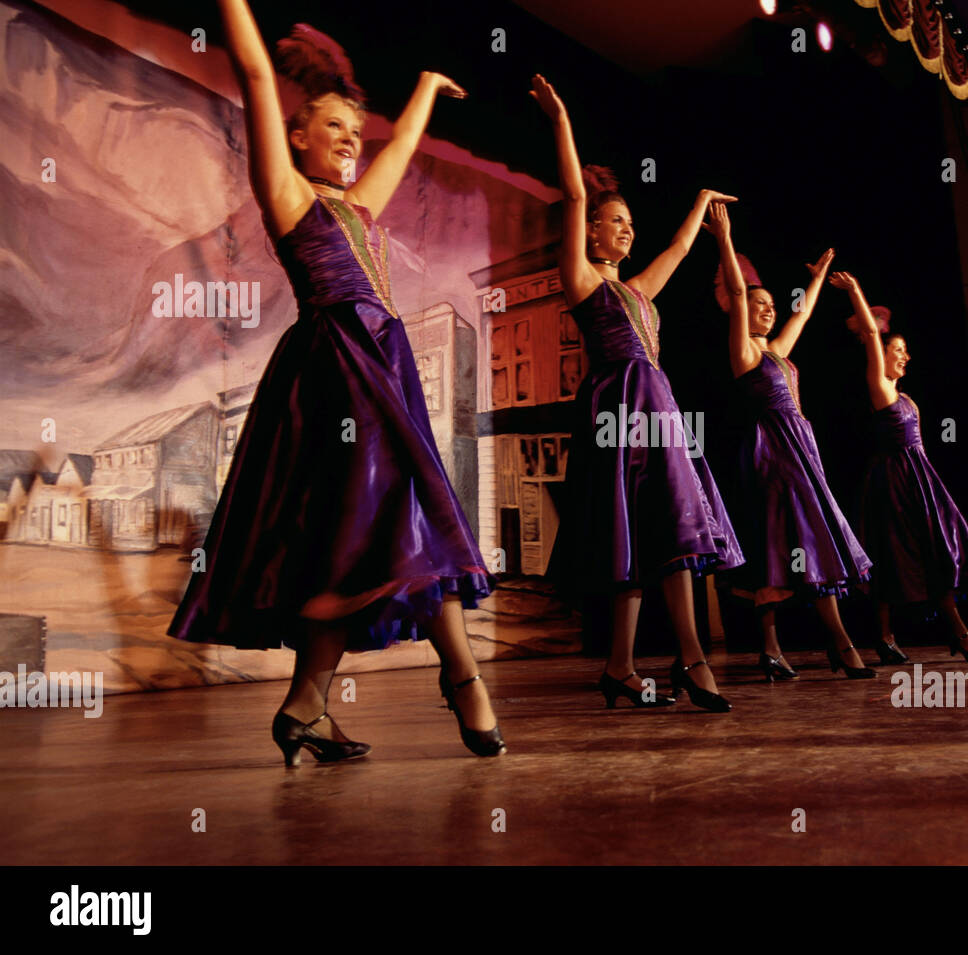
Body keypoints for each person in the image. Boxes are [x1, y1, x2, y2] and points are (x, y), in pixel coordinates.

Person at [167, 0, 505, 762]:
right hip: (342, 364)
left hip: (380, 365)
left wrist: (420, 90)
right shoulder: (288, 196)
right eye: (334, 130)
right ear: (296, 137)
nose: (352, 144)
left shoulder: (356, 207)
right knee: (407, 511)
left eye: (357, 133)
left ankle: (306, 705)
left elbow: (401, 150)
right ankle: (462, 678)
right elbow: (256, 71)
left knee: (363, 532)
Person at [530, 74, 743, 712]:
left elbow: (680, 247)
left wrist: (705, 206)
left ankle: (627, 667)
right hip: (618, 410)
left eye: (630, 223)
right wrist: (562, 120)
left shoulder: (641, 291)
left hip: (659, 410)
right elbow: (572, 194)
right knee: (636, 528)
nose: (626, 231)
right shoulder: (582, 281)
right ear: (591, 233)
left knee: (667, 528)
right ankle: (685, 660)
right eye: (614, 222)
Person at [705, 203, 875, 680]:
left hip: (801, 451)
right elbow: (738, 293)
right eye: (761, 306)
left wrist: (819, 277)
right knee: (787, 541)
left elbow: (801, 315)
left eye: (771, 307)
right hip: (771, 454)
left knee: (802, 541)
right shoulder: (744, 354)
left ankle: (797, 647)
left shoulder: (778, 353)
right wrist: (725, 239)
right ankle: (817, 646)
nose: (768, 310)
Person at [832, 270, 968, 662]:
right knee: (889, 557)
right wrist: (855, 291)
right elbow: (871, 336)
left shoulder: (909, 400)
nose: (905, 355)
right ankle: (887, 637)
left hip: (920, 482)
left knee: (936, 552)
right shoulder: (880, 388)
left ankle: (953, 631)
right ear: (882, 354)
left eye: (905, 350)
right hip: (890, 482)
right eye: (898, 349)